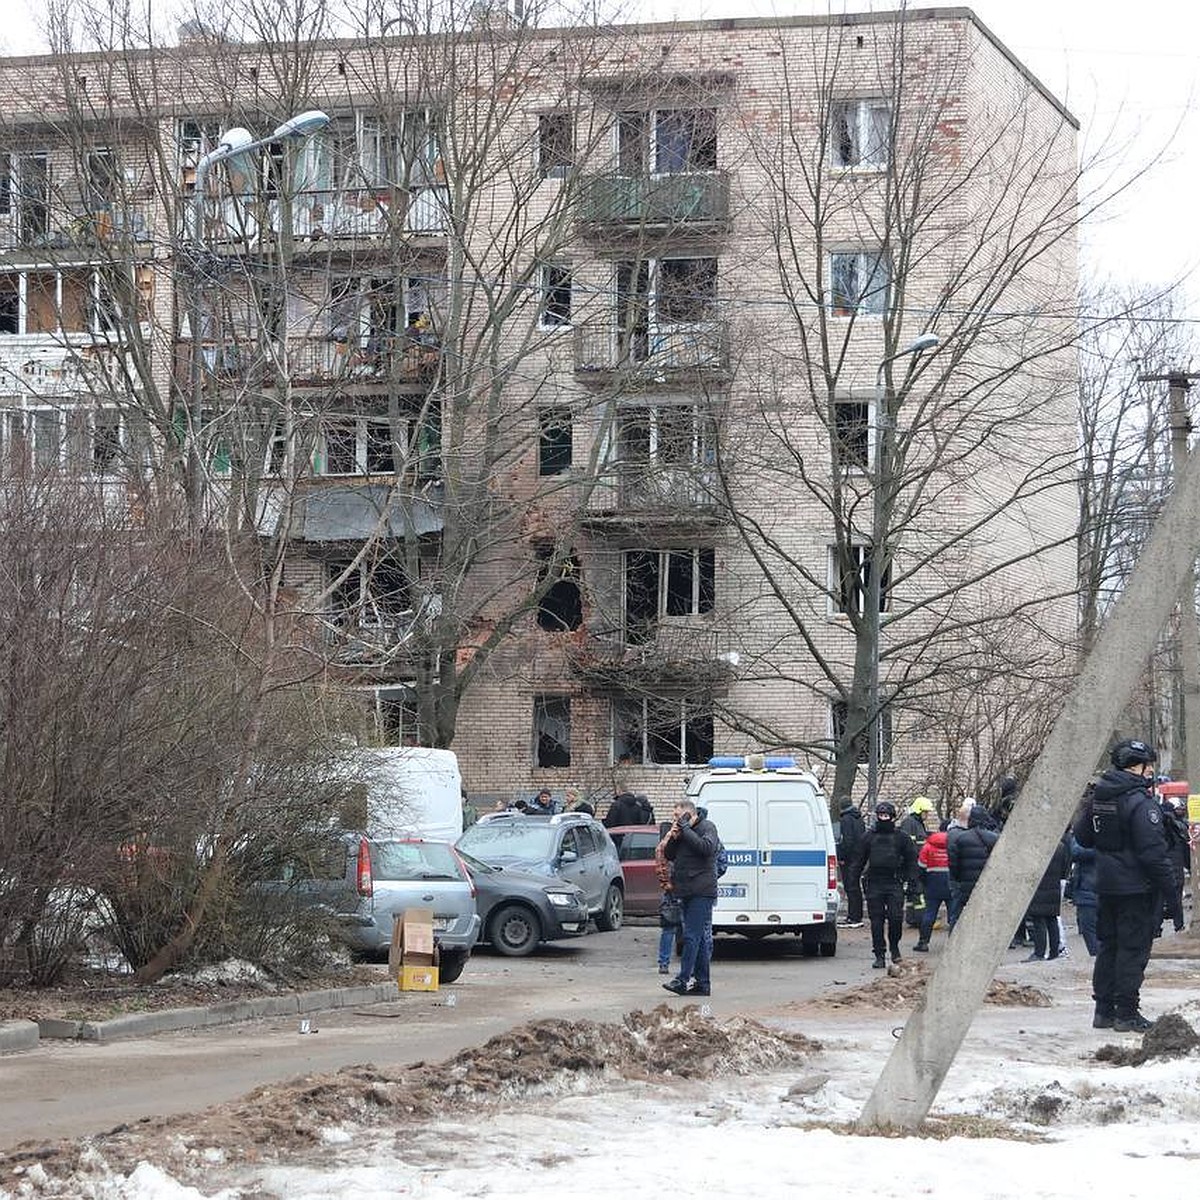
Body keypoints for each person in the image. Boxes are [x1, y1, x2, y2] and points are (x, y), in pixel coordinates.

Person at [1073, 738, 1180, 1032]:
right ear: (1138, 766)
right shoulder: (1140, 802)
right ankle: (1126, 1013)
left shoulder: (1100, 796)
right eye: (1148, 767)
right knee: (1132, 950)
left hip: (1105, 886)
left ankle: (1103, 1011)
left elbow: (1082, 837)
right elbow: (1154, 855)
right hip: (1137, 889)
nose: (1151, 773)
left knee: (1110, 947)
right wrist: (1172, 895)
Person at [662, 799, 720, 997]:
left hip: (702, 890)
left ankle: (682, 979)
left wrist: (686, 829)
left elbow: (706, 848)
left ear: (689, 814)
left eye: (678, 816)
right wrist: (674, 836)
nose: (675, 819)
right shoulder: (682, 832)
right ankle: (703, 984)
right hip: (686, 889)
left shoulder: (707, 827)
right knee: (700, 940)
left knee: (691, 936)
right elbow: (669, 854)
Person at [854, 800, 919, 969]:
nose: (884, 818)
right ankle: (879, 954)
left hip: (894, 882)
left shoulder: (901, 837)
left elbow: (912, 860)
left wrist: (911, 881)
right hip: (874, 882)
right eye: (881, 815)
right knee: (876, 920)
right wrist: (853, 881)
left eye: (887, 815)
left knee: (896, 917)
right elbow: (859, 861)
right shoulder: (868, 837)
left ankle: (895, 948)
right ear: (877, 816)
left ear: (892, 817)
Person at [947, 803, 1000, 924]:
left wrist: (958, 880)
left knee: (958, 916)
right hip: (987, 886)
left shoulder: (960, 839)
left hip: (966, 886)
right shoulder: (994, 838)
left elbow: (953, 864)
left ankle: (955, 940)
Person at [1023, 834, 1070, 961]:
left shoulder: (1036, 848)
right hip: (1054, 887)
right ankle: (1054, 952)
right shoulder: (1060, 847)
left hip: (1039, 888)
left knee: (1039, 921)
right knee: (1052, 920)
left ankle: (1039, 952)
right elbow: (1064, 869)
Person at [1156, 794, 1190, 937]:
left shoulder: (1159, 825)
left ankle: (1156, 929)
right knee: (1175, 900)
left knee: (1159, 900)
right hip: (1174, 868)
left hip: (1162, 867)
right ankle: (1178, 926)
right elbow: (1185, 848)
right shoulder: (1179, 827)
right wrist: (1190, 867)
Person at [914, 826, 950, 951]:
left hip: (932, 883)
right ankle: (954, 942)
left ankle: (923, 942)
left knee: (929, 914)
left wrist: (924, 882)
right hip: (950, 883)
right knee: (954, 915)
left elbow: (921, 867)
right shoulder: (953, 845)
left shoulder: (927, 846)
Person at [654, 821, 682, 974]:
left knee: (668, 927)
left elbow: (660, 860)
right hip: (684, 888)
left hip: (672, 889)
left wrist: (666, 884)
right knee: (689, 930)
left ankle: (664, 963)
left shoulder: (667, 839)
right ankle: (689, 966)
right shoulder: (679, 836)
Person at [943, 798, 975, 927]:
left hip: (956, 876)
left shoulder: (951, 832)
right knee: (958, 908)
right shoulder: (963, 835)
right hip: (963, 877)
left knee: (956, 908)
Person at [1068, 830, 1100, 956]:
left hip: (1090, 891)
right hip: (1091, 890)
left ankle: (1099, 961)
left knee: (1091, 931)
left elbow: (1075, 851)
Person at [836, 798, 866, 928]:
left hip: (849, 858)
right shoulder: (858, 818)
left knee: (851, 887)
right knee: (855, 887)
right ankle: (856, 916)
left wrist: (841, 856)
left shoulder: (846, 820)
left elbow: (846, 840)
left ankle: (854, 917)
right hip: (859, 857)